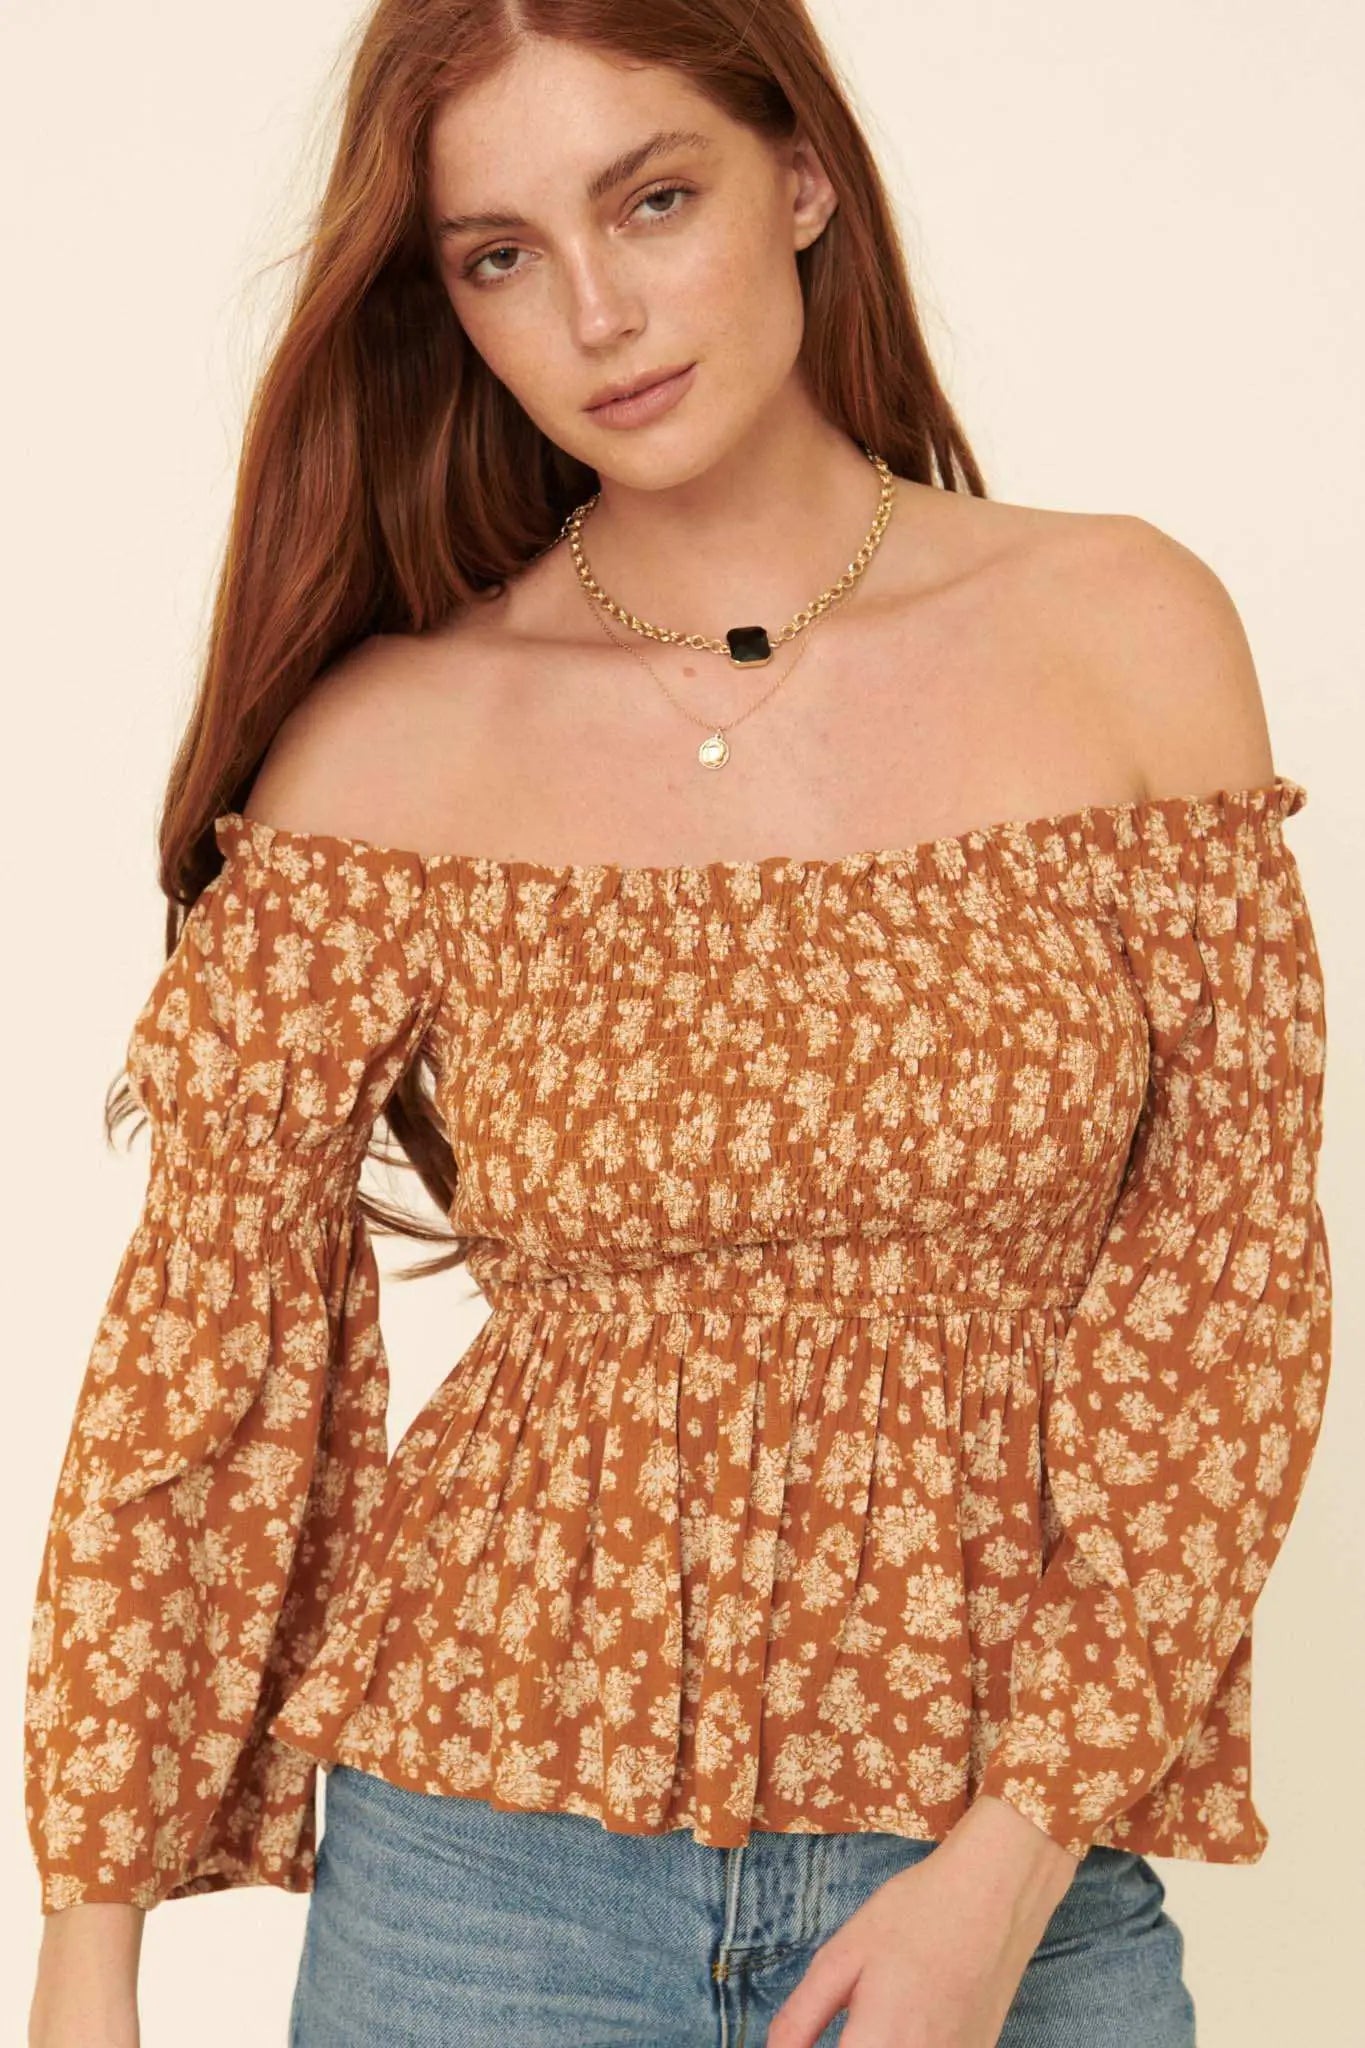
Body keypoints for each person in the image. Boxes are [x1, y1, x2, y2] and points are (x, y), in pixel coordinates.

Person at [25, 4, 1332, 2047]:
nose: (598, 315)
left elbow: (1224, 1296)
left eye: (651, 200)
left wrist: (1005, 1867)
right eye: (501, 255)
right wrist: (85, 1957)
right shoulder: (394, 742)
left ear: (798, 175)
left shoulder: (1118, 634)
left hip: (1006, 1878)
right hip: (484, 1894)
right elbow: (203, 1353)